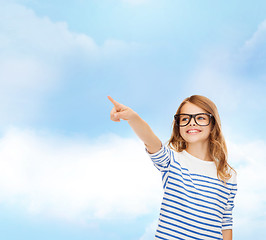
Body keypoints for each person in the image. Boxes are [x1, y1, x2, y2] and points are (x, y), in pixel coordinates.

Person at [108, 95, 237, 240]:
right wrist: (132, 117)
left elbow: (226, 222)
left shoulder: (228, 175)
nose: (191, 123)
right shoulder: (171, 161)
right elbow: (150, 140)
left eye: (200, 118)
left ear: (213, 124)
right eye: (184, 119)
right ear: (178, 126)